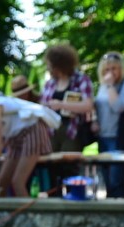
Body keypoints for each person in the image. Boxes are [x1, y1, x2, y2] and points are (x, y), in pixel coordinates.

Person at [39, 43, 95, 195]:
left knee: (70, 167)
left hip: (72, 131)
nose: (49, 68)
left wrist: (62, 104)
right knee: (51, 167)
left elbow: (87, 105)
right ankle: (54, 199)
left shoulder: (81, 79)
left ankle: (74, 196)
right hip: (51, 132)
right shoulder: (50, 83)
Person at [94, 52, 124, 198]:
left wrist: (111, 86)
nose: (110, 73)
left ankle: (123, 212)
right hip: (103, 138)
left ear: (121, 69)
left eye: (114, 69)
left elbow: (119, 106)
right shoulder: (102, 86)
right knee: (107, 181)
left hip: (119, 138)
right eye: (107, 70)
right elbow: (98, 107)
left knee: (116, 181)